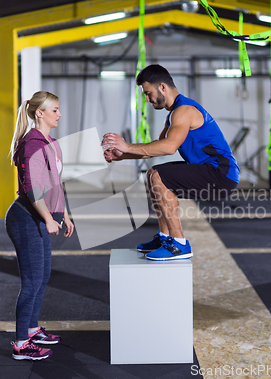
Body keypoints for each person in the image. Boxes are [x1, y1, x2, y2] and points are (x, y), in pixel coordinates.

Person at [101, 64, 239, 261]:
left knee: (159, 176)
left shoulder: (184, 111)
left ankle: (179, 244)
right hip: (209, 170)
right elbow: (157, 147)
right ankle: (165, 238)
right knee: (152, 174)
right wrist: (122, 155)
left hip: (221, 173)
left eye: (149, 94)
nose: (148, 100)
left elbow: (169, 147)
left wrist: (127, 145)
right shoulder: (173, 115)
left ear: (162, 87)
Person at [5, 91, 74, 361]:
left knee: (42, 277)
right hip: (25, 218)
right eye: (54, 110)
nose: (59, 114)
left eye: (58, 109)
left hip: (42, 217)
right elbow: (32, 188)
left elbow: (57, 184)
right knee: (32, 281)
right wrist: (47, 218)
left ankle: (32, 329)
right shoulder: (31, 144)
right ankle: (22, 343)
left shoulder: (52, 143)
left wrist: (64, 215)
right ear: (39, 114)